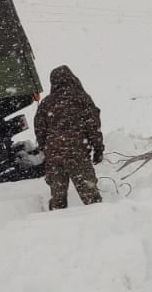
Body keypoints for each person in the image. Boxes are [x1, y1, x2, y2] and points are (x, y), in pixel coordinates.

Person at [34, 65, 104, 210]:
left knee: (57, 200)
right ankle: (99, 227)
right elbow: (93, 126)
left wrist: (45, 149)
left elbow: (39, 129)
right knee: (91, 198)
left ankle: (57, 228)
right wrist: (98, 149)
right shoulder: (82, 98)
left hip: (54, 156)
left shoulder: (47, 102)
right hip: (77, 153)